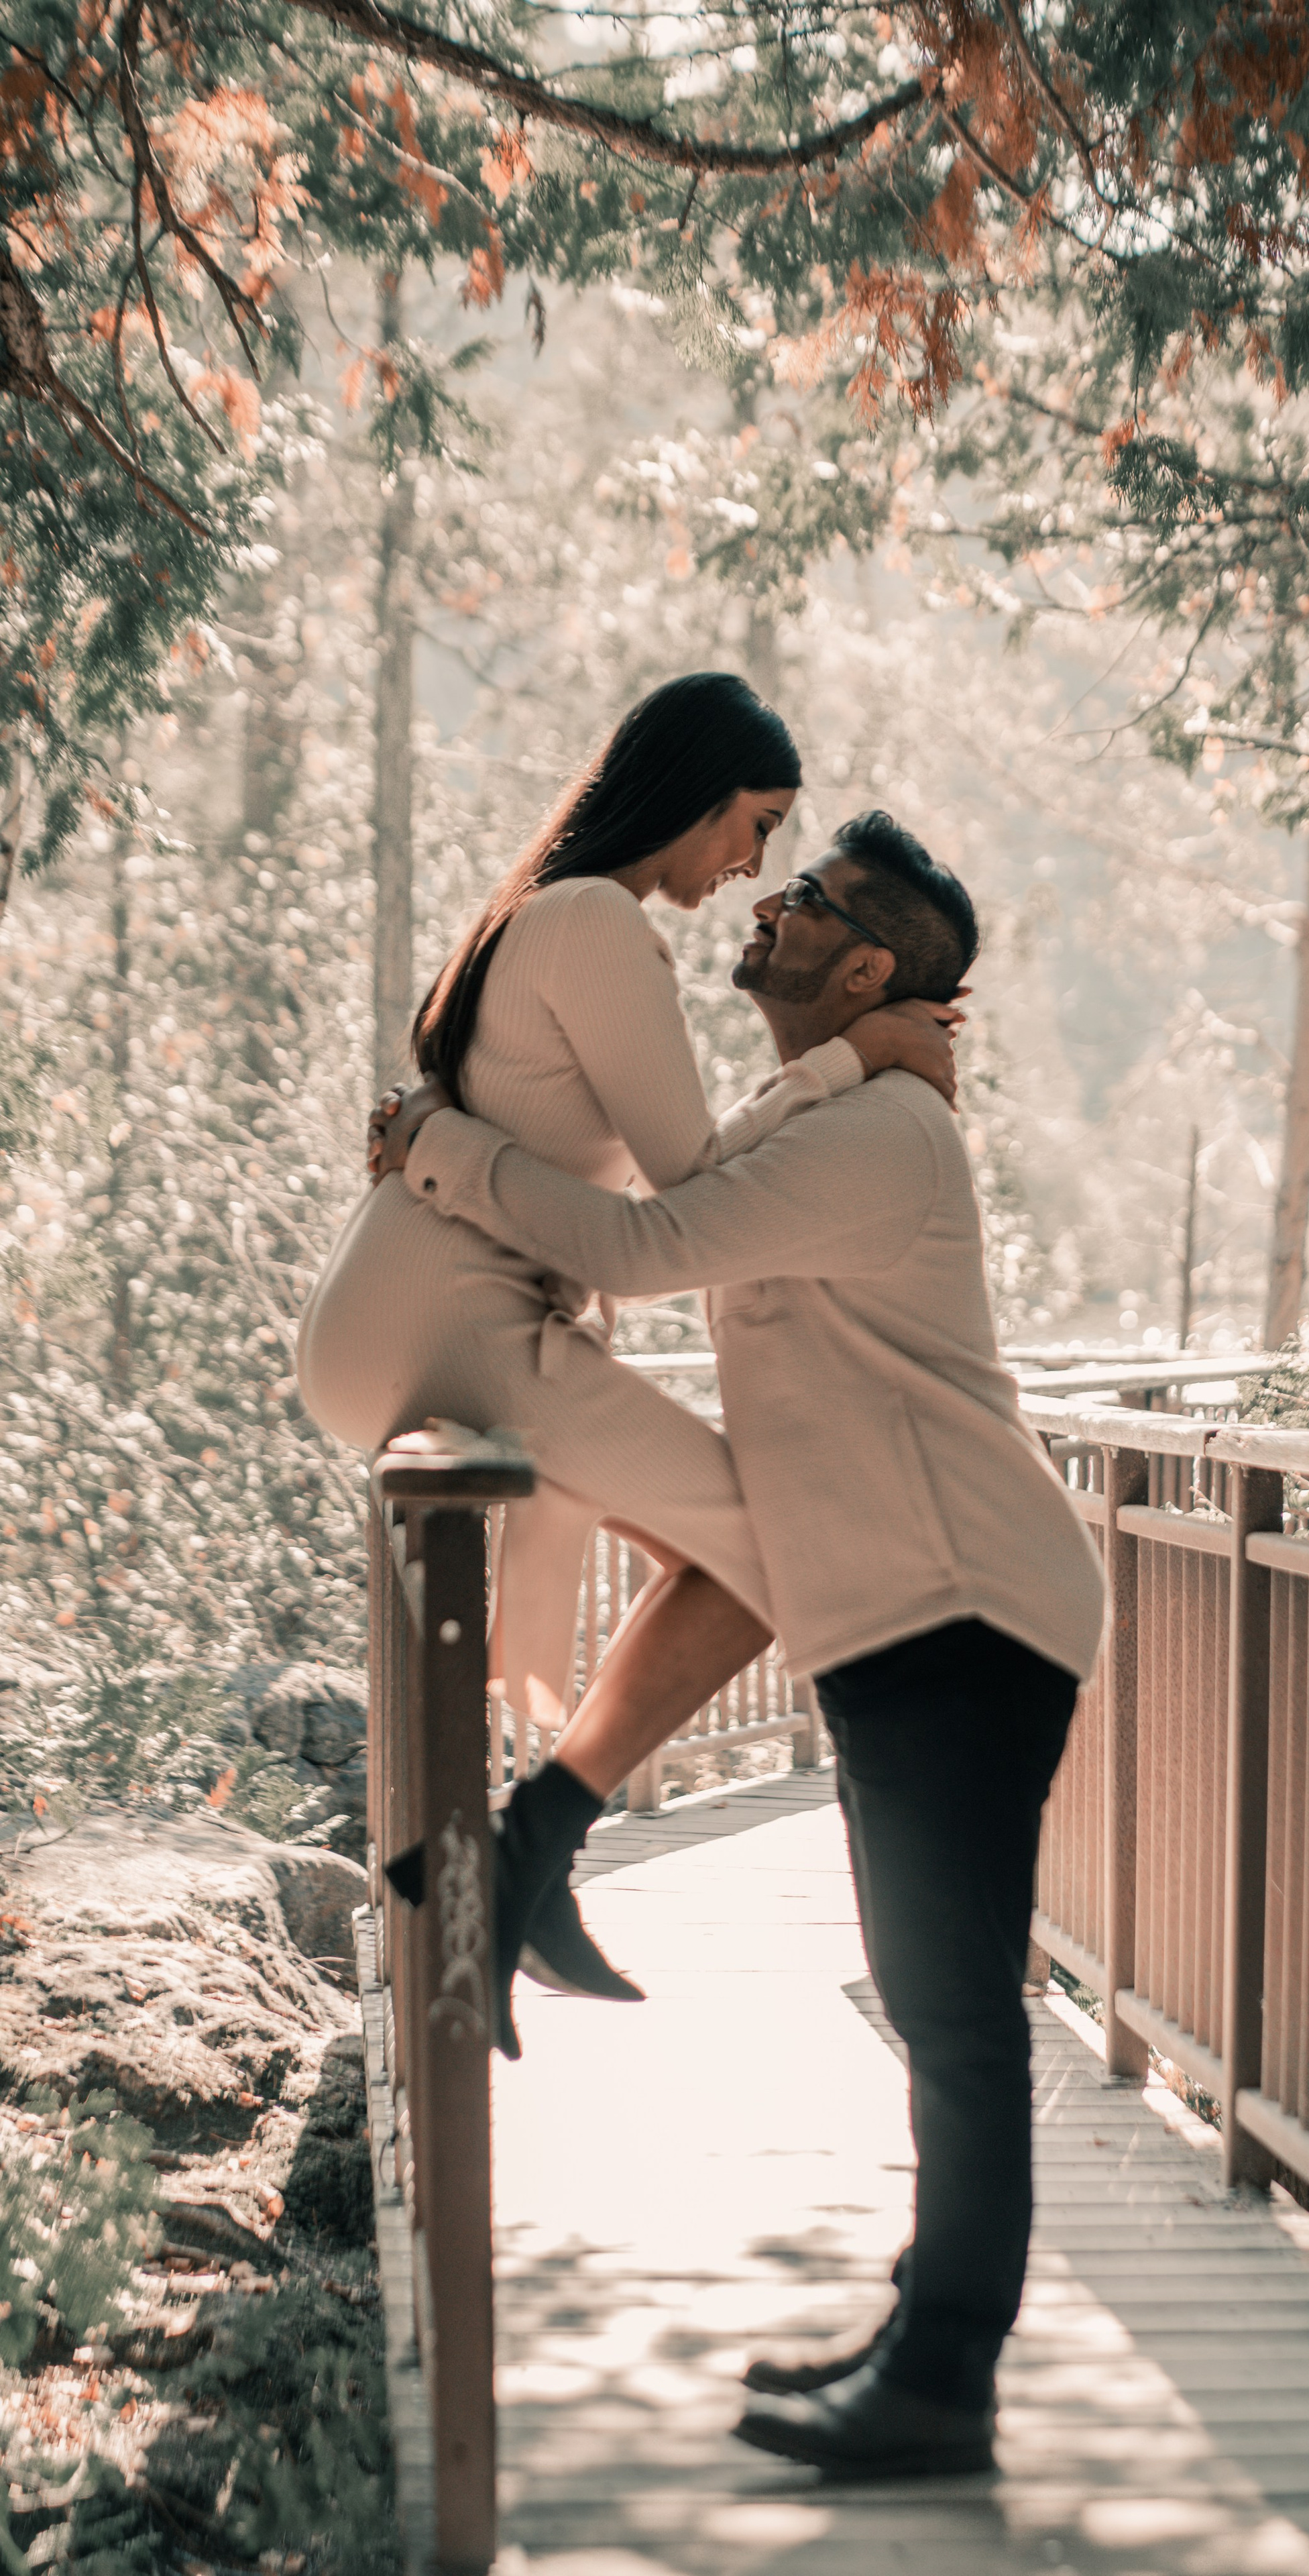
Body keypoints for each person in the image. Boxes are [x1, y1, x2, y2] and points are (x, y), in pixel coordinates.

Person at [368, 812, 1107, 2478]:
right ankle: (926, 2324)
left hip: (963, 1606)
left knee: (954, 2008)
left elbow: (642, 1243)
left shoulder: (884, 1140)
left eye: (812, 900)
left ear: (861, 968)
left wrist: (435, 1147)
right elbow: (694, 1194)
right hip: (903, 1603)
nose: (765, 909)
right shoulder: (830, 1104)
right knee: (941, 2000)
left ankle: (941, 2387)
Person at [296, 678, 956, 2051]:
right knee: (770, 1550)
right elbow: (689, 1190)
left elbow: (635, 1191)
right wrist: (856, 1059)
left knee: (745, 1552)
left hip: (434, 1309)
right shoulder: (596, 923)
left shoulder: (550, 913)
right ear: (701, 791)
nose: (752, 868)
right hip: (451, 1321)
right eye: (755, 827)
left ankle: (517, 1855)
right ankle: (514, 1855)